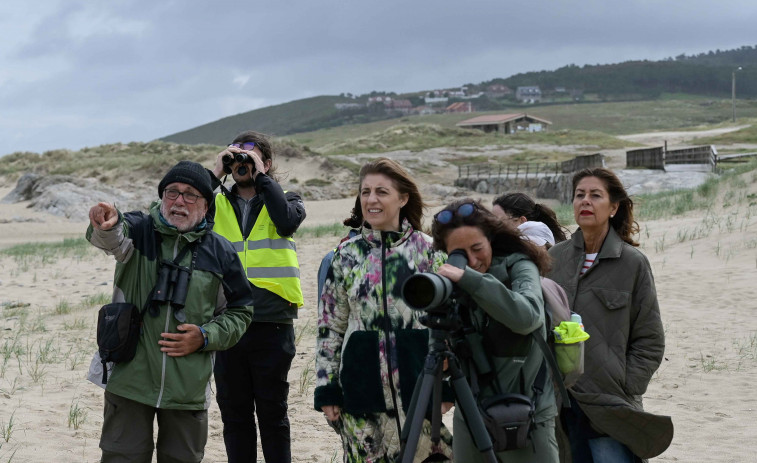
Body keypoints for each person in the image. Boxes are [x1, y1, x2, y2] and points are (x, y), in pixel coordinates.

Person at [86, 160, 255, 463]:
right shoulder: (138, 231)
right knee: (120, 458)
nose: (179, 201)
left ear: (206, 204)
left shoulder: (220, 252)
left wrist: (205, 336)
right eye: (172, 192)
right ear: (162, 198)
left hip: (187, 385)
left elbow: (241, 311)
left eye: (190, 195)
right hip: (129, 378)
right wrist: (105, 223)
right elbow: (110, 236)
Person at [315, 157, 453, 462]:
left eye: (381, 192)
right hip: (360, 391)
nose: (371, 199)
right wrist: (327, 390)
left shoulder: (430, 253)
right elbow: (330, 327)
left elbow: (450, 327)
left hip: (419, 388)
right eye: (365, 192)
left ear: (403, 198)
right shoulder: (344, 256)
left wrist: (448, 388)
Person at [547, 168, 673, 462]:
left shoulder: (632, 263)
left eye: (595, 195)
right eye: (580, 195)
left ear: (613, 207)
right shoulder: (554, 258)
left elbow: (650, 339)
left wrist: (626, 386)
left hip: (610, 405)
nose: (585, 202)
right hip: (558, 403)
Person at [431, 198, 559, 463]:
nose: (473, 260)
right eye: (461, 254)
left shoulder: (520, 266)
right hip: (472, 411)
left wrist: (470, 279)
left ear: (491, 238)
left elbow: (528, 316)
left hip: (529, 412)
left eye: (478, 248)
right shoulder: (452, 280)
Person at [209, 130, 306, 463]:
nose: (242, 163)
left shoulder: (288, 199)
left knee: (272, 414)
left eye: (250, 157)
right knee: (234, 416)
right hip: (227, 321)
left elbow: (286, 223)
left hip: (272, 322)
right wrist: (217, 172)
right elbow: (185, 204)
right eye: (236, 157)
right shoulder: (216, 202)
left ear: (266, 163)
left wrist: (263, 178)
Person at [492, 192, 569, 247]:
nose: (492, 226)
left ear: (522, 221)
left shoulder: (529, 253)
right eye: (491, 220)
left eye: (499, 222)